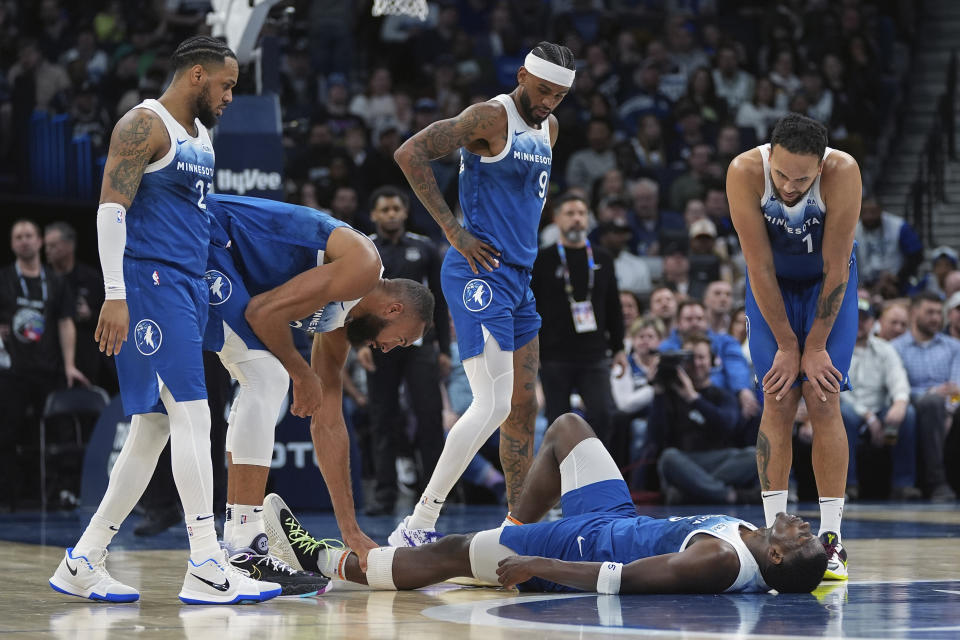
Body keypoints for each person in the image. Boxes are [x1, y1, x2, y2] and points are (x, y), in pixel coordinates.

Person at [47, 37, 279, 606]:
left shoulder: (201, 135)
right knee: (193, 415)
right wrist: (115, 294)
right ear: (196, 75)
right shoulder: (141, 125)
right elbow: (109, 210)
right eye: (226, 85)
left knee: (152, 429)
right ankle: (205, 558)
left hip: (186, 287)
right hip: (148, 285)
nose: (231, 96)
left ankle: (84, 559)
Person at [264, 413, 827, 595]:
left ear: (775, 558)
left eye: (802, 535)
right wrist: (824, 552)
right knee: (568, 429)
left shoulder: (723, 560)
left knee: (456, 550)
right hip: (615, 519)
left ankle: (322, 562)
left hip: (587, 545)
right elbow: (812, 568)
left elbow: (619, 579)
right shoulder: (763, 547)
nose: (802, 523)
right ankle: (508, 534)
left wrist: (538, 565)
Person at [200, 192, 435, 587]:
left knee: (259, 378)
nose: (390, 348)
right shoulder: (362, 265)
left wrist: (350, 528)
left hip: (229, 261)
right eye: (402, 339)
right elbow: (263, 313)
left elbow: (328, 424)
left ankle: (242, 538)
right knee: (268, 377)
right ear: (394, 310)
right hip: (210, 233)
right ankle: (244, 545)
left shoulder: (339, 325)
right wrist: (301, 373)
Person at [391, 42, 575, 543]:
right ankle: (419, 522)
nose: (549, 102)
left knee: (522, 408)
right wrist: (453, 231)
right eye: (542, 91)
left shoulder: (549, 128)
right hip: (477, 273)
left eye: (559, 95)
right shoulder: (490, 117)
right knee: (491, 404)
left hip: (518, 277)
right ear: (522, 76)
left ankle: (519, 524)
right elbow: (409, 153)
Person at [727, 112, 861, 581]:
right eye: (781, 174)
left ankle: (832, 539)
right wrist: (787, 344)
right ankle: (772, 535)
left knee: (823, 397)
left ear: (820, 168)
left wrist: (816, 344)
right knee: (778, 396)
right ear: (770, 158)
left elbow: (837, 267)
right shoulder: (745, 171)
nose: (787, 185)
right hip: (772, 287)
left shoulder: (844, 172)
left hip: (828, 287)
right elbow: (759, 268)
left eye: (800, 178)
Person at [357, 186, 450, 516]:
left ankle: (435, 496)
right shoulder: (365, 249)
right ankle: (383, 494)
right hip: (378, 346)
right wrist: (358, 344)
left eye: (396, 207)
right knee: (383, 419)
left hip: (421, 346)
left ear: (405, 212)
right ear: (374, 215)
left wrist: (444, 350)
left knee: (429, 418)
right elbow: (355, 300)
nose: (391, 213)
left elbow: (438, 300)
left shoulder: (424, 248)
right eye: (385, 209)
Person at [1, 220, 88, 509]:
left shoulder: (56, 282)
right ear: (13, 244)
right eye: (18, 237)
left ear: (39, 242)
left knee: (57, 436)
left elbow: (66, 323)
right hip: (12, 371)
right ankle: (9, 497)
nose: (24, 241)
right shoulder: (4, 280)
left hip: (49, 370)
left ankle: (59, 495)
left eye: (29, 235)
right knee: (8, 433)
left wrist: (70, 364)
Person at [532, 192, 628, 447]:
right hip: (554, 355)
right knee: (558, 421)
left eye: (582, 214)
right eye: (570, 214)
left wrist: (618, 347)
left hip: (594, 354)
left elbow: (613, 305)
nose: (577, 219)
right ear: (556, 218)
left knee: (604, 415)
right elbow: (531, 308)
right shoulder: (542, 259)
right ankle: (562, 477)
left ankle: (598, 475)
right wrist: (533, 350)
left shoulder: (602, 257)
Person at [650, 332, 756, 505]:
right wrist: (658, 392)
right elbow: (656, 438)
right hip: (685, 460)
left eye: (701, 357)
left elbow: (728, 425)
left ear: (712, 360)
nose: (696, 364)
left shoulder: (723, 395)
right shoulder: (669, 394)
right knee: (668, 458)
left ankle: (690, 493)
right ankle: (728, 495)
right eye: (690, 358)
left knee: (755, 455)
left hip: (720, 460)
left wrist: (695, 399)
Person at [841, 298, 919, 501]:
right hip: (852, 410)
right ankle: (848, 485)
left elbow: (898, 378)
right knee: (842, 413)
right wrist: (868, 417)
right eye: (854, 317)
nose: (859, 323)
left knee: (908, 413)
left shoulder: (885, 349)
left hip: (880, 411)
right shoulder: (836, 348)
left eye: (864, 319)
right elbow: (839, 391)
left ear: (872, 323)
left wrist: (900, 403)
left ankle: (903, 484)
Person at [890, 292, 959, 503]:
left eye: (939, 313)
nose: (936, 318)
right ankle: (936, 482)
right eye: (929, 312)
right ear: (913, 313)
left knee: (939, 404)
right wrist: (931, 394)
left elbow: (956, 388)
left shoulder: (954, 347)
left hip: (950, 406)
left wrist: (949, 407)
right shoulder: (895, 348)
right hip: (913, 404)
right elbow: (898, 387)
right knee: (931, 403)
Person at [44, 221, 112, 390]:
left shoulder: (91, 278)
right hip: (48, 359)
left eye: (53, 245)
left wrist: (89, 315)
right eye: (46, 246)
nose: (47, 251)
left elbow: (111, 319)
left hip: (87, 357)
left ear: (69, 246)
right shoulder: (42, 280)